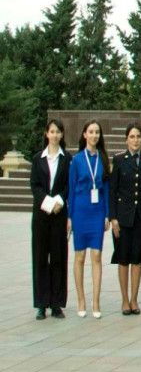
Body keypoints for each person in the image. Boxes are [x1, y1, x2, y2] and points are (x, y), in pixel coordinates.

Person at [111, 123, 141, 316]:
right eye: (132, 136)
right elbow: (113, 191)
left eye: (138, 136)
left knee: (137, 258)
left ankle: (134, 300)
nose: (135, 140)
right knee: (123, 259)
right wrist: (113, 217)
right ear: (126, 139)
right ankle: (124, 300)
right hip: (123, 217)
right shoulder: (119, 160)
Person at [68, 120, 111, 318]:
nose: (94, 135)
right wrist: (69, 217)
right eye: (91, 132)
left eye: (97, 132)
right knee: (80, 257)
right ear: (84, 135)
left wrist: (108, 214)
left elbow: (107, 189)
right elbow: (70, 189)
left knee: (96, 256)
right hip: (80, 210)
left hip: (97, 211)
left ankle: (96, 300)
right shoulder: (76, 160)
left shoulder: (102, 159)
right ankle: (81, 299)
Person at [32, 119, 70, 320]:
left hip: (59, 215)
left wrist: (59, 202)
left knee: (58, 258)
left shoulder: (67, 159)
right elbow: (35, 185)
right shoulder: (38, 158)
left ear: (62, 135)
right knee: (40, 258)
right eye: (51, 131)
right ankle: (41, 304)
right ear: (46, 134)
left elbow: (68, 186)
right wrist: (48, 202)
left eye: (58, 132)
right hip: (41, 216)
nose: (55, 135)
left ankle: (56, 303)